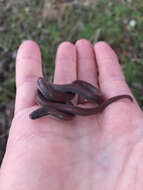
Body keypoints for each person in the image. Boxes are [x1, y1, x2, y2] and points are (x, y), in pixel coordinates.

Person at [0, 39, 143, 190]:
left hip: (62, 100)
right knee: (67, 108)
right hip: (58, 102)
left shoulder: (52, 102)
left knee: (78, 103)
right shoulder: (47, 102)